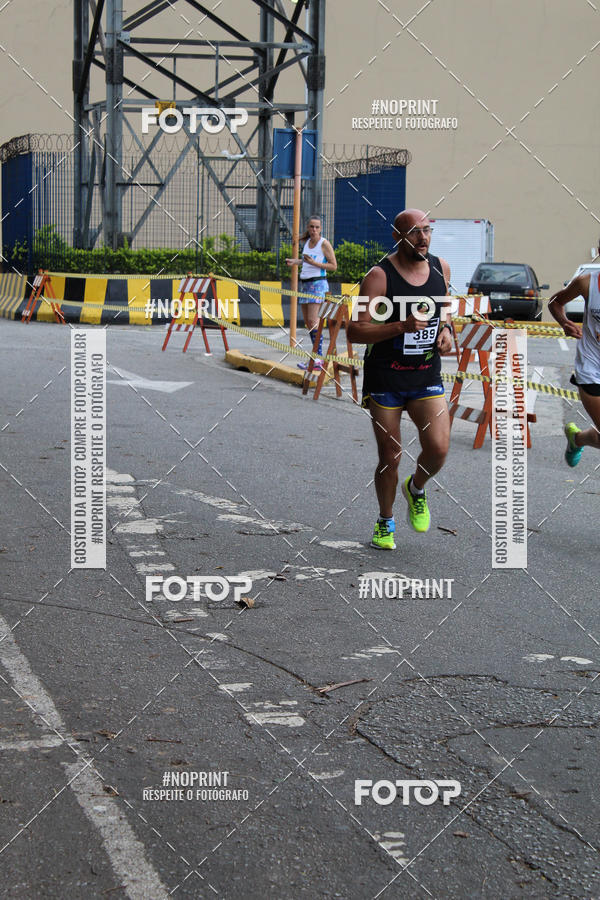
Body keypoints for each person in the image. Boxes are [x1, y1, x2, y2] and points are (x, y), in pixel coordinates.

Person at [347, 209, 453, 550]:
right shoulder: (380, 276)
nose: (422, 237)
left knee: (438, 448)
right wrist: (399, 327)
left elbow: (445, 310)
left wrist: (448, 332)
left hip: (425, 375)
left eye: (427, 230)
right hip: (386, 379)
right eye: (414, 232)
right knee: (390, 455)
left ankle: (416, 488)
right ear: (397, 237)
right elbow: (355, 330)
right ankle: (385, 521)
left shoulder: (441, 268)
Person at [549, 271, 600, 465]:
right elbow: (554, 302)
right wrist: (564, 323)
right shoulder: (587, 283)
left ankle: (577, 439)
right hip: (592, 369)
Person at [286, 216, 337, 369]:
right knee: (308, 323)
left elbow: (333, 266)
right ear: (308, 228)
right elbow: (306, 261)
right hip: (305, 284)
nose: (314, 230)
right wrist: (295, 262)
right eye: (311, 227)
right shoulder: (307, 243)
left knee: (313, 321)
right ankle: (315, 357)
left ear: (321, 229)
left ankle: (317, 358)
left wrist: (313, 263)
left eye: (317, 227)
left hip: (318, 284)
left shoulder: (324, 244)